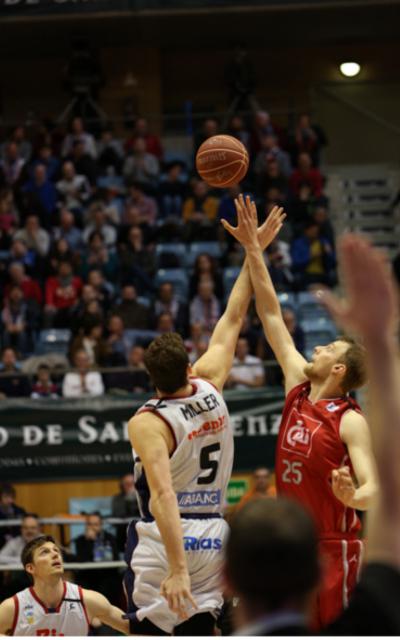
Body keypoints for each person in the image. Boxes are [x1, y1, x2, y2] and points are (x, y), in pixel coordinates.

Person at [225, 234, 400, 635]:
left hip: (334, 549)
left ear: (339, 371)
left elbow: (375, 487)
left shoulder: (350, 419)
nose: (317, 349)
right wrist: (254, 249)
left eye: (327, 349)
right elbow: (270, 315)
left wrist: (352, 497)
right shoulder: (296, 387)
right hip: (294, 547)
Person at [123, 201, 284, 635]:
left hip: (165, 539)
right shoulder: (211, 382)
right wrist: (254, 249)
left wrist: (176, 567)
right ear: (189, 369)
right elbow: (234, 313)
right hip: (214, 531)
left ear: (151, 379)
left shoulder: (148, 422)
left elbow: (163, 497)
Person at [0, 535, 129, 635]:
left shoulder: (87, 600)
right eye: (44, 552)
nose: (55, 554)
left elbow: (130, 627)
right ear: (30, 568)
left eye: (56, 550)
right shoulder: (12, 607)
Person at [111, 474, 141, 553]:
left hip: (141, 536)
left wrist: (136, 497)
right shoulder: (117, 499)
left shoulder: (142, 497)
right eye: (127, 484)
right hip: (123, 538)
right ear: (122, 486)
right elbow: (120, 514)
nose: (131, 486)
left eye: (132, 483)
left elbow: (142, 513)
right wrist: (129, 498)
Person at [0, 483, 26, 549]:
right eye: (6, 497)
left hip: (17, 544)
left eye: (12, 497)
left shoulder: (20, 511)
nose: (10, 500)